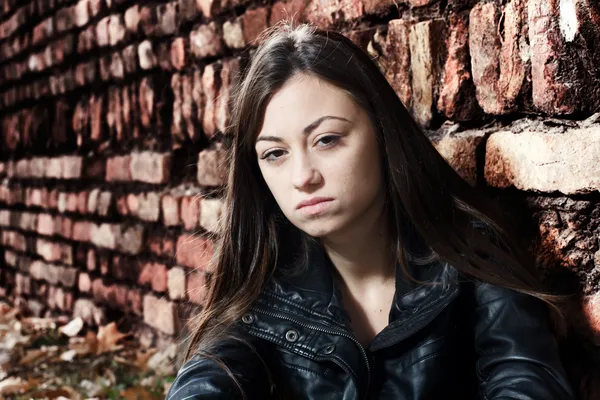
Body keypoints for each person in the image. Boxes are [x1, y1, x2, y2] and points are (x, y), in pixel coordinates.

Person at [165, 20, 575, 399]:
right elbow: (208, 379)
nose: (302, 176)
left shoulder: (470, 254)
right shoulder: (262, 283)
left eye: (326, 139)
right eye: (275, 153)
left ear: (381, 132)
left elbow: (526, 382)